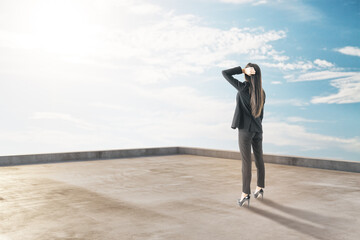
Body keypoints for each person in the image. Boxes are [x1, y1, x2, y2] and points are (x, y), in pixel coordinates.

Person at [222, 63, 266, 207]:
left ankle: (245, 194)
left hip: (245, 131)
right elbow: (261, 115)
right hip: (258, 129)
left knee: (246, 163)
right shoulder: (262, 92)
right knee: (259, 159)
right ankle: (259, 188)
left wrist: (241, 70)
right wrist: (257, 126)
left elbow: (225, 73)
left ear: (247, 74)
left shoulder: (243, 88)